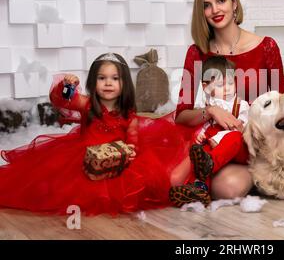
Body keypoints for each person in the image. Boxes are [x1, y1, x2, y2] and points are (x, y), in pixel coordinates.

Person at [169, 0, 284, 206]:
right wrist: (211, 111)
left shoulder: (266, 47)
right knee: (198, 184)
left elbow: (281, 99)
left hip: (253, 141)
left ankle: (231, 174)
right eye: (206, 5)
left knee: (228, 188)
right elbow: (182, 115)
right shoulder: (196, 53)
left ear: (234, 2)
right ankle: (206, 172)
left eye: (221, 1)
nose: (215, 10)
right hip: (214, 138)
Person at [0, 53, 188, 215]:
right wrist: (67, 86)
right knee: (56, 185)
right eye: (102, 78)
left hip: (115, 161)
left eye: (115, 78)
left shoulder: (128, 114)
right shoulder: (87, 104)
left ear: (125, 83)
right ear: (93, 81)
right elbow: (63, 101)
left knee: (141, 182)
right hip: (85, 156)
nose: (108, 83)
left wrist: (131, 150)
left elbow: (133, 139)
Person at [169, 56, 250, 207]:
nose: (227, 88)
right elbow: (206, 126)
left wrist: (236, 130)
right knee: (200, 153)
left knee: (235, 137)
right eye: (220, 84)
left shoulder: (241, 105)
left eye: (231, 83)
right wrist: (201, 136)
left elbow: (244, 128)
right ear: (206, 87)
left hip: (236, 148)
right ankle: (199, 189)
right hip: (214, 147)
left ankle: (209, 163)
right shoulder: (208, 105)